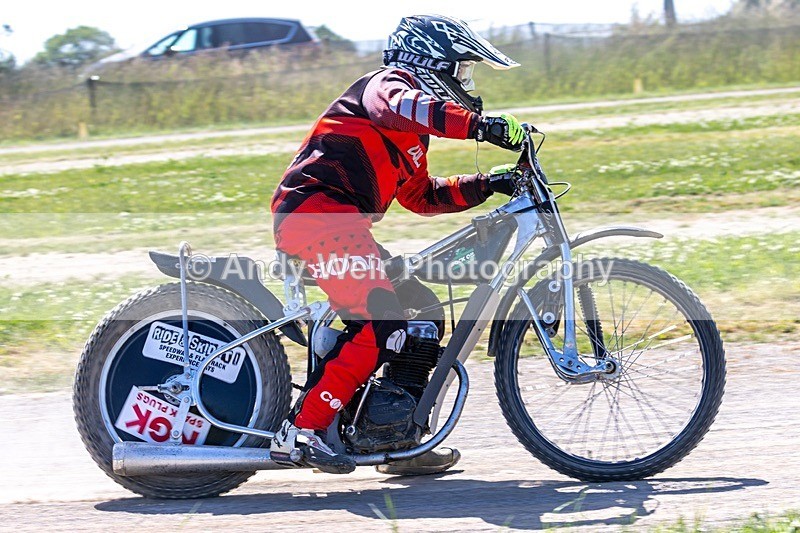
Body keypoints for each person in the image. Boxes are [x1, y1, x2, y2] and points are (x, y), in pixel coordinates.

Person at [270, 14, 524, 475]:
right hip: (317, 216)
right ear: (429, 61)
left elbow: (421, 197)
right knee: (382, 321)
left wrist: (489, 184)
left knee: (422, 312)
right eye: (461, 69)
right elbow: (403, 106)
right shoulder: (387, 87)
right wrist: (479, 127)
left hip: (342, 225)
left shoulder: (411, 135)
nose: (464, 81)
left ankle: (395, 437)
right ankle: (303, 431)